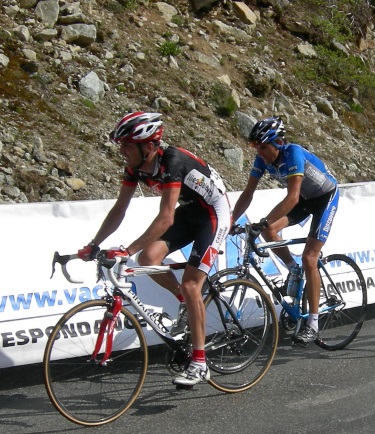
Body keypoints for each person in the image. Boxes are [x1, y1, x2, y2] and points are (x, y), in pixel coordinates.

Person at [77, 112, 232, 386]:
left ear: (148, 146)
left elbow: (165, 218)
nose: (122, 151)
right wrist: (94, 243)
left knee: (192, 285)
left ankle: (199, 363)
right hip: (190, 211)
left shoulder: (172, 162)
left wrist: (126, 250)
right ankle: (185, 303)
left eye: (127, 146)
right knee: (148, 258)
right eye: (121, 145)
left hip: (213, 214)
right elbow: (119, 209)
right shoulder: (135, 167)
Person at [231, 117, 339, 344]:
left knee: (310, 257)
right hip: (306, 199)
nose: (259, 153)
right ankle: (293, 269)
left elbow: (292, 197)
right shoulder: (262, 160)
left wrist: (264, 220)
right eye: (256, 148)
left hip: (325, 198)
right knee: (269, 230)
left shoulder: (293, 153)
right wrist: (231, 220)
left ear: (278, 143)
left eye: (263, 147)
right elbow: (248, 193)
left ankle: (313, 324)